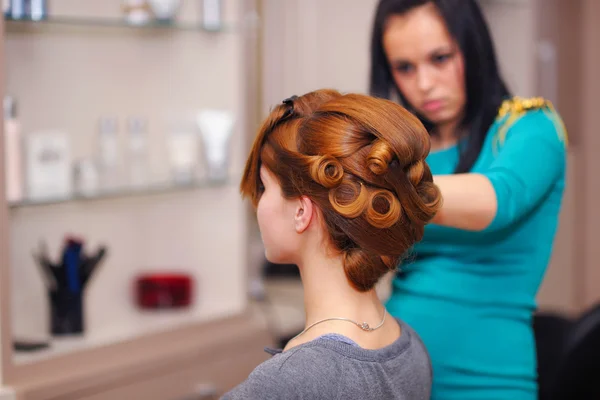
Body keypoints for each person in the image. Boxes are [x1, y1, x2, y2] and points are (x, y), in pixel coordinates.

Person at [369, 0, 568, 399]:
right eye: (405, 68)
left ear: (473, 47)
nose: (424, 84)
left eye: (440, 58)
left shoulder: (529, 127)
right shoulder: (405, 154)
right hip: (394, 376)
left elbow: (496, 199)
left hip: (488, 382)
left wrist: (377, 188)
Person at [222, 89, 442, 399]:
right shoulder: (410, 345)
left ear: (301, 211)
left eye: (264, 186)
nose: (258, 203)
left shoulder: (290, 382)